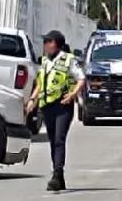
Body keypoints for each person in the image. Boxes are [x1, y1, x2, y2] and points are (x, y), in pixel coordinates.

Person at [25, 30, 85, 191]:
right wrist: (32, 100)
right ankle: (59, 176)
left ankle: (57, 174)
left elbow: (81, 79)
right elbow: (40, 83)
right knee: (53, 140)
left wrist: (72, 95)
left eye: (47, 41)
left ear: (55, 44)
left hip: (63, 105)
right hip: (47, 106)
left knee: (59, 139)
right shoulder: (44, 61)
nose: (44, 45)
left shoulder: (68, 60)